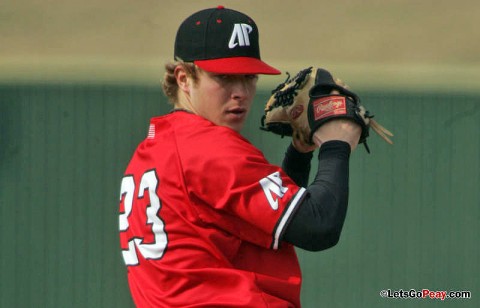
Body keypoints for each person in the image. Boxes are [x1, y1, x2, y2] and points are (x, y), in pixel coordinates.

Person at [119, 5, 361, 307]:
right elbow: (318, 226)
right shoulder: (209, 148)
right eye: (224, 77)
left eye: (248, 77)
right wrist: (337, 144)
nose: (241, 92)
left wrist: (299, 154)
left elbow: (267, 223)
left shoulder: (155, 149)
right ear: (183, 78)